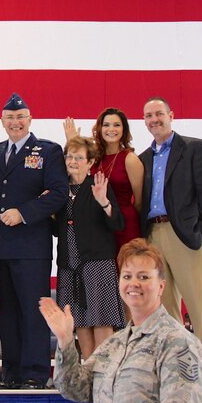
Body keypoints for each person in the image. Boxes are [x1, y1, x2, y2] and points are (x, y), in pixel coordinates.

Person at [39, 238, 202, 403]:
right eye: (127, 276)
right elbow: (74, 388)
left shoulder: (178, 343)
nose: (134, 283)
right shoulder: (113, 344)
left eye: (143, 277)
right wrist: (65, 340)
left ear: (161, 286)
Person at [0, 93, 68, 389]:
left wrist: (24, 212)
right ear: (2, 121)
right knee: (5, 315)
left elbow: (58, 193)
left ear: (30, 119)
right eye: (9, 117)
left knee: (33, 313)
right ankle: (12, 373)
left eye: (20, 117)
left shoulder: (48, 151)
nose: (15, 122)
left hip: (32, 246)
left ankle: (34, 373)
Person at [139, 97, 202, 389]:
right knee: (165, 309)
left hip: (186, 235)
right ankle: (176, 370)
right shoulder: (143, 159)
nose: (154, 119)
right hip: (153, 235)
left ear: (171, 115)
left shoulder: (195, 148)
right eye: (148, 115)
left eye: (159, 113)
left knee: (199, 305)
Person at [55, 136, 125, 360]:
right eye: (69, 156)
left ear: (90, 162)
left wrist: (104, 202)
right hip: (69, 266)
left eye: (78, 157)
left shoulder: (98, 185)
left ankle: (104, 379)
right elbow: (57, 229)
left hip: (97, 264)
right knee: (81, 325)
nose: (73, 161)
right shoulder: (59, 189)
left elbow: (117, 223)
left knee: (101, 321)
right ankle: (88, 381)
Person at [64, 107, 144, 252]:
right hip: (99, 225)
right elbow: (76, 172)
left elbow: (139, 202)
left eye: (117, 125)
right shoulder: (95, 157)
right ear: (100, 128)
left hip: (125, 225)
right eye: (106, 125)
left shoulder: (130, 160)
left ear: (124, 130)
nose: (111, 129)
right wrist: (73, 141)